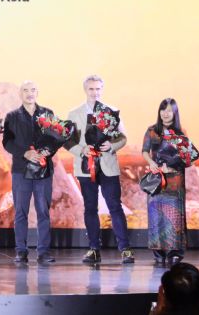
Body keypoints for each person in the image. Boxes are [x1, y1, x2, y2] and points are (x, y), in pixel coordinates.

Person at [67, 74, 133, 264]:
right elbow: (67, 140)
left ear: (102, 90)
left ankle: (125, 249)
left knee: (115, 207)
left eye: (98, 89)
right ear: (85, 90)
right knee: (90, 208)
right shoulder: (74, 113)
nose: (95, 92)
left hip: (108, 166)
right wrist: (82, 150)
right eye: (91, 89)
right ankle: (93, 249)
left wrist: (111, 146)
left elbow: (123, 137)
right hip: (85, 166)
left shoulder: (112, 112)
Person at [2, 80, 56, 264]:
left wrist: (46, 152)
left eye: (33, 90)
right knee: (21, 212)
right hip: (21, 170)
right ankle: (21, 251)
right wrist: (25, 152)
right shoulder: (12, 116)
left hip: (43, 170)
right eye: (25, 90)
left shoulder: (48, 114)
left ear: (37, 92)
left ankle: (43, 252)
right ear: (20, 94)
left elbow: (55, 139)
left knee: (43, 211)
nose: (29, 93)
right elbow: (7, 143)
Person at [143, 98, 191, 266]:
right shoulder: (151, 130)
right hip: (157, 178)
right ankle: (158, 252)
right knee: (156, 216)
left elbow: (186, 156)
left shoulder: (181, 132)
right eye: (163, 110)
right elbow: (145, 152)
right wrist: (152, 163)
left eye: (169, 110)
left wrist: (171, 167)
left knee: (175, 217)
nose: (166, 113)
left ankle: (175, 252)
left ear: (175, 113)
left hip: (175, 179)